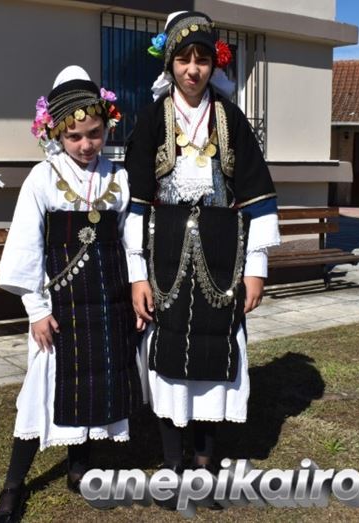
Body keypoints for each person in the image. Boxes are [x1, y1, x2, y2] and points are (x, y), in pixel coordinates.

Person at [125, 10, 281, 487]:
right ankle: (172, 460)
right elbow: (134, 204)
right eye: (184, 59)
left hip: (221, 255)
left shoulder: (230, 118)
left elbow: (256, 195)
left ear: (215, 63)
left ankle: (204, 460)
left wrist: (256, 267)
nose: (193, 70)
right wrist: (136, 275)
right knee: (168, 352)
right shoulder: (152, 119)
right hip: (165, 255)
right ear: (169, 62)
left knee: (217, 349)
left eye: (202, 60)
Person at [0, 65, 142, 522]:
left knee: (98, 383)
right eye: (74, 136)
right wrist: (36, 309)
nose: (85, 145)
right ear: (56, 132)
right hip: (60, 307)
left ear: (106, 128)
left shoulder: (118, 178)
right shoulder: (42, 179)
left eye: (94, 134)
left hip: (109, 301)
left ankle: (80, 467)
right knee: (44, 387)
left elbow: (132, 239)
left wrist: (137, 286)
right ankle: (13, 485)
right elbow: (26, 247)